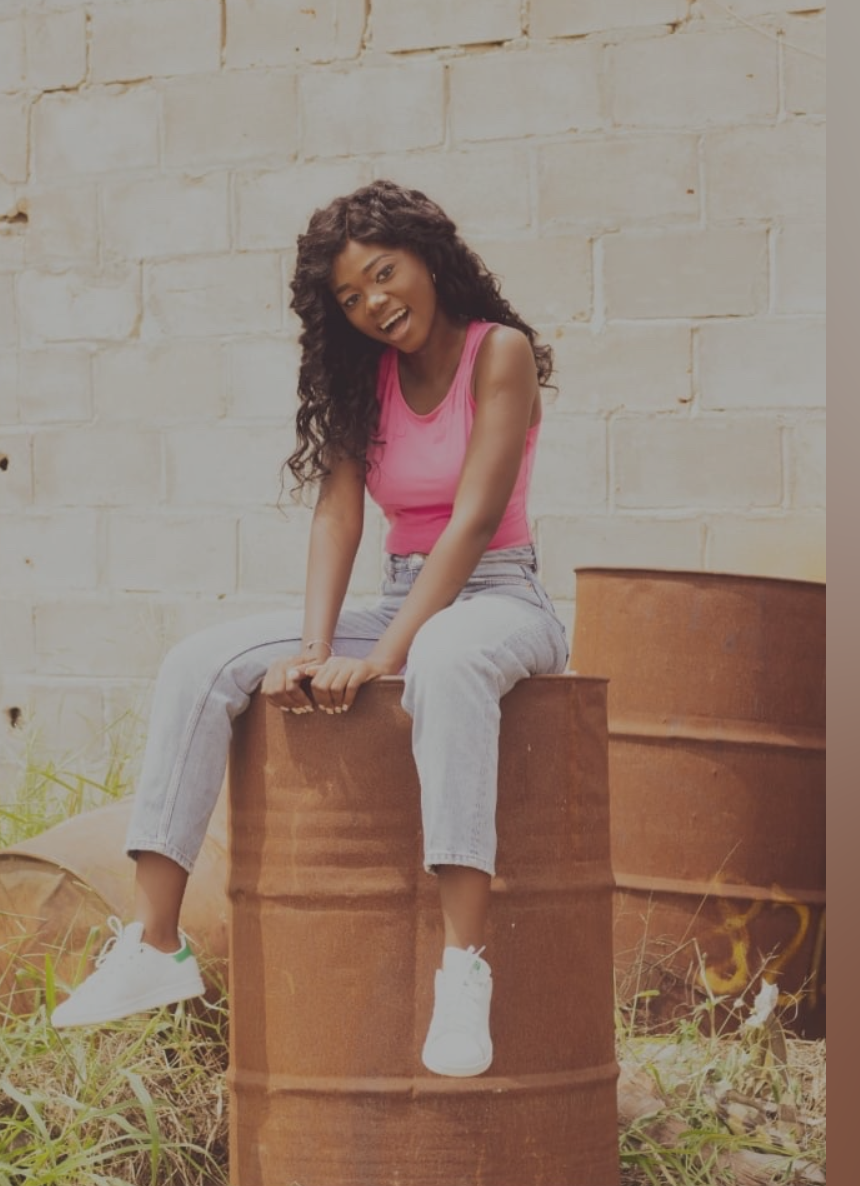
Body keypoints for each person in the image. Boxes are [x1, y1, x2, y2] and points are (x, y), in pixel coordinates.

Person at [49, 179, 569, 1079]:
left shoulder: (501, 353)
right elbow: (338, 516)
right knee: (197, 663)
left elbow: (475, 520)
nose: (375, 304)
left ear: (427, 256)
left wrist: (384, 659)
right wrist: (316, 649)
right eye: (352, 297)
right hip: (402, 596)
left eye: (384, 274)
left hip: (499, 598)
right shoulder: (366, 377)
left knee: (445, 660)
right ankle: (154, 942)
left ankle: (463, 968)